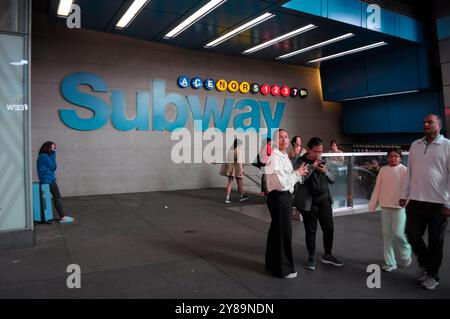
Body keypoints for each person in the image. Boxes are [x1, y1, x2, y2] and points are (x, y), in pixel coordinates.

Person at [400, 114, 450, 290]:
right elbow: (409, 172)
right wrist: (404, 194)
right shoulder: (415, 145)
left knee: (436, 241)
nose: (426, 124)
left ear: (439, 125)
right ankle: (426, 264)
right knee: (412, 234)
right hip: (415, 200)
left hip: (438, 203)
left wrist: (448, 203)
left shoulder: (447, 146)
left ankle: (432, 275)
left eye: (430, 122)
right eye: (424, 122)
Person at [293, 137, 344, 270]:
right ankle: (311, 257)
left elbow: (333, 179)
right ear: (309, 149)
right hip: (309, 202)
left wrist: (325, 171)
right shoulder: (300, 161)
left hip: (324, 199)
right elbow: (300, 179)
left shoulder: (324, 161)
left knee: (329, 228)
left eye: (320, 151)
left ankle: (328, 254)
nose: (318, 154)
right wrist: (312, 167)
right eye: (316, 151)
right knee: (311, 230)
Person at [265, 129, 308, 278]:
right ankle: (283, 270)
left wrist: (297, 173)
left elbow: (288, 177)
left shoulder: (283, 156)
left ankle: (271, 264)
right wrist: (297, 174)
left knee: (277, 232)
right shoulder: (274, 157)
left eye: (286, 137)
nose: (284, 140)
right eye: (280, 137)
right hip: (279, 197)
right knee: (283, 234)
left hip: (283, 198)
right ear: (275, 141)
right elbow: (281, 183)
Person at [368, 148, 412, 272]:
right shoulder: (383, 170)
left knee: (398, 233)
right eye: (391, 156)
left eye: (396, 156)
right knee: (387, 236)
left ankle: (406, 251)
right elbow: (377, 188)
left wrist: (407, 202)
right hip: (385, 207)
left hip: (399, 208)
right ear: (387, 158)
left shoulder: (404, 170)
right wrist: (372, 205)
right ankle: (390, 262)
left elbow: (409, 189)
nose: (393, 158)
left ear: (400, 157)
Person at [37, 141, 74, 223]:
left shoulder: (43, 156)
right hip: (48, 180)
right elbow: (53, 167)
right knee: (57, 198)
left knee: (56, 198)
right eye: (52, 148)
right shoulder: (44, 156)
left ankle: (62, 216)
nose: (54, 150)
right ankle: (63, 217)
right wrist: (53, 154)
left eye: (54, 148)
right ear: (47, 148)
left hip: (47, 179)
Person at [220, 139, 248, 204]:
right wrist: (241, 170)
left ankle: (227, 198)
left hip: (230, 169)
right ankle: (242, 196)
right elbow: (239, 162)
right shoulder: (238, 150)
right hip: (237, 168)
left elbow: (227, 160)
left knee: (229, 183)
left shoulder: (230, 150)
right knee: (240, 183)